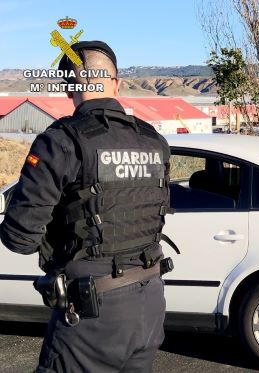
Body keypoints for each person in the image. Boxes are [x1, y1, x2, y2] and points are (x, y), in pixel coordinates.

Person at [0, 41, 175, 372]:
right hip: (150, 302)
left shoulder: (61, 141)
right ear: (117, 84)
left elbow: (19, 238)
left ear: (69, 89)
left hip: (93, 311)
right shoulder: (154, 140)